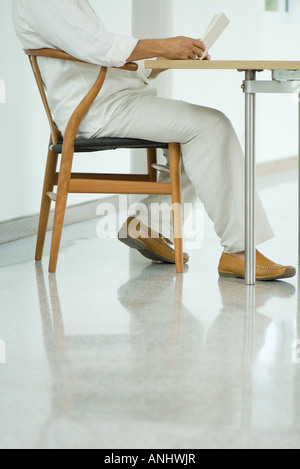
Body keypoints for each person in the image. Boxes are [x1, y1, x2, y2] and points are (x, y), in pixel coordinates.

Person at [12, 0, 296, 281]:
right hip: (97, 109)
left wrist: (162, 61)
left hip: (109, 101)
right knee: (211, 126)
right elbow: (98, 47)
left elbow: (96, 53)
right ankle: (240, 252)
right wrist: (165, 46)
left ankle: (146, 225)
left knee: (199, 133)